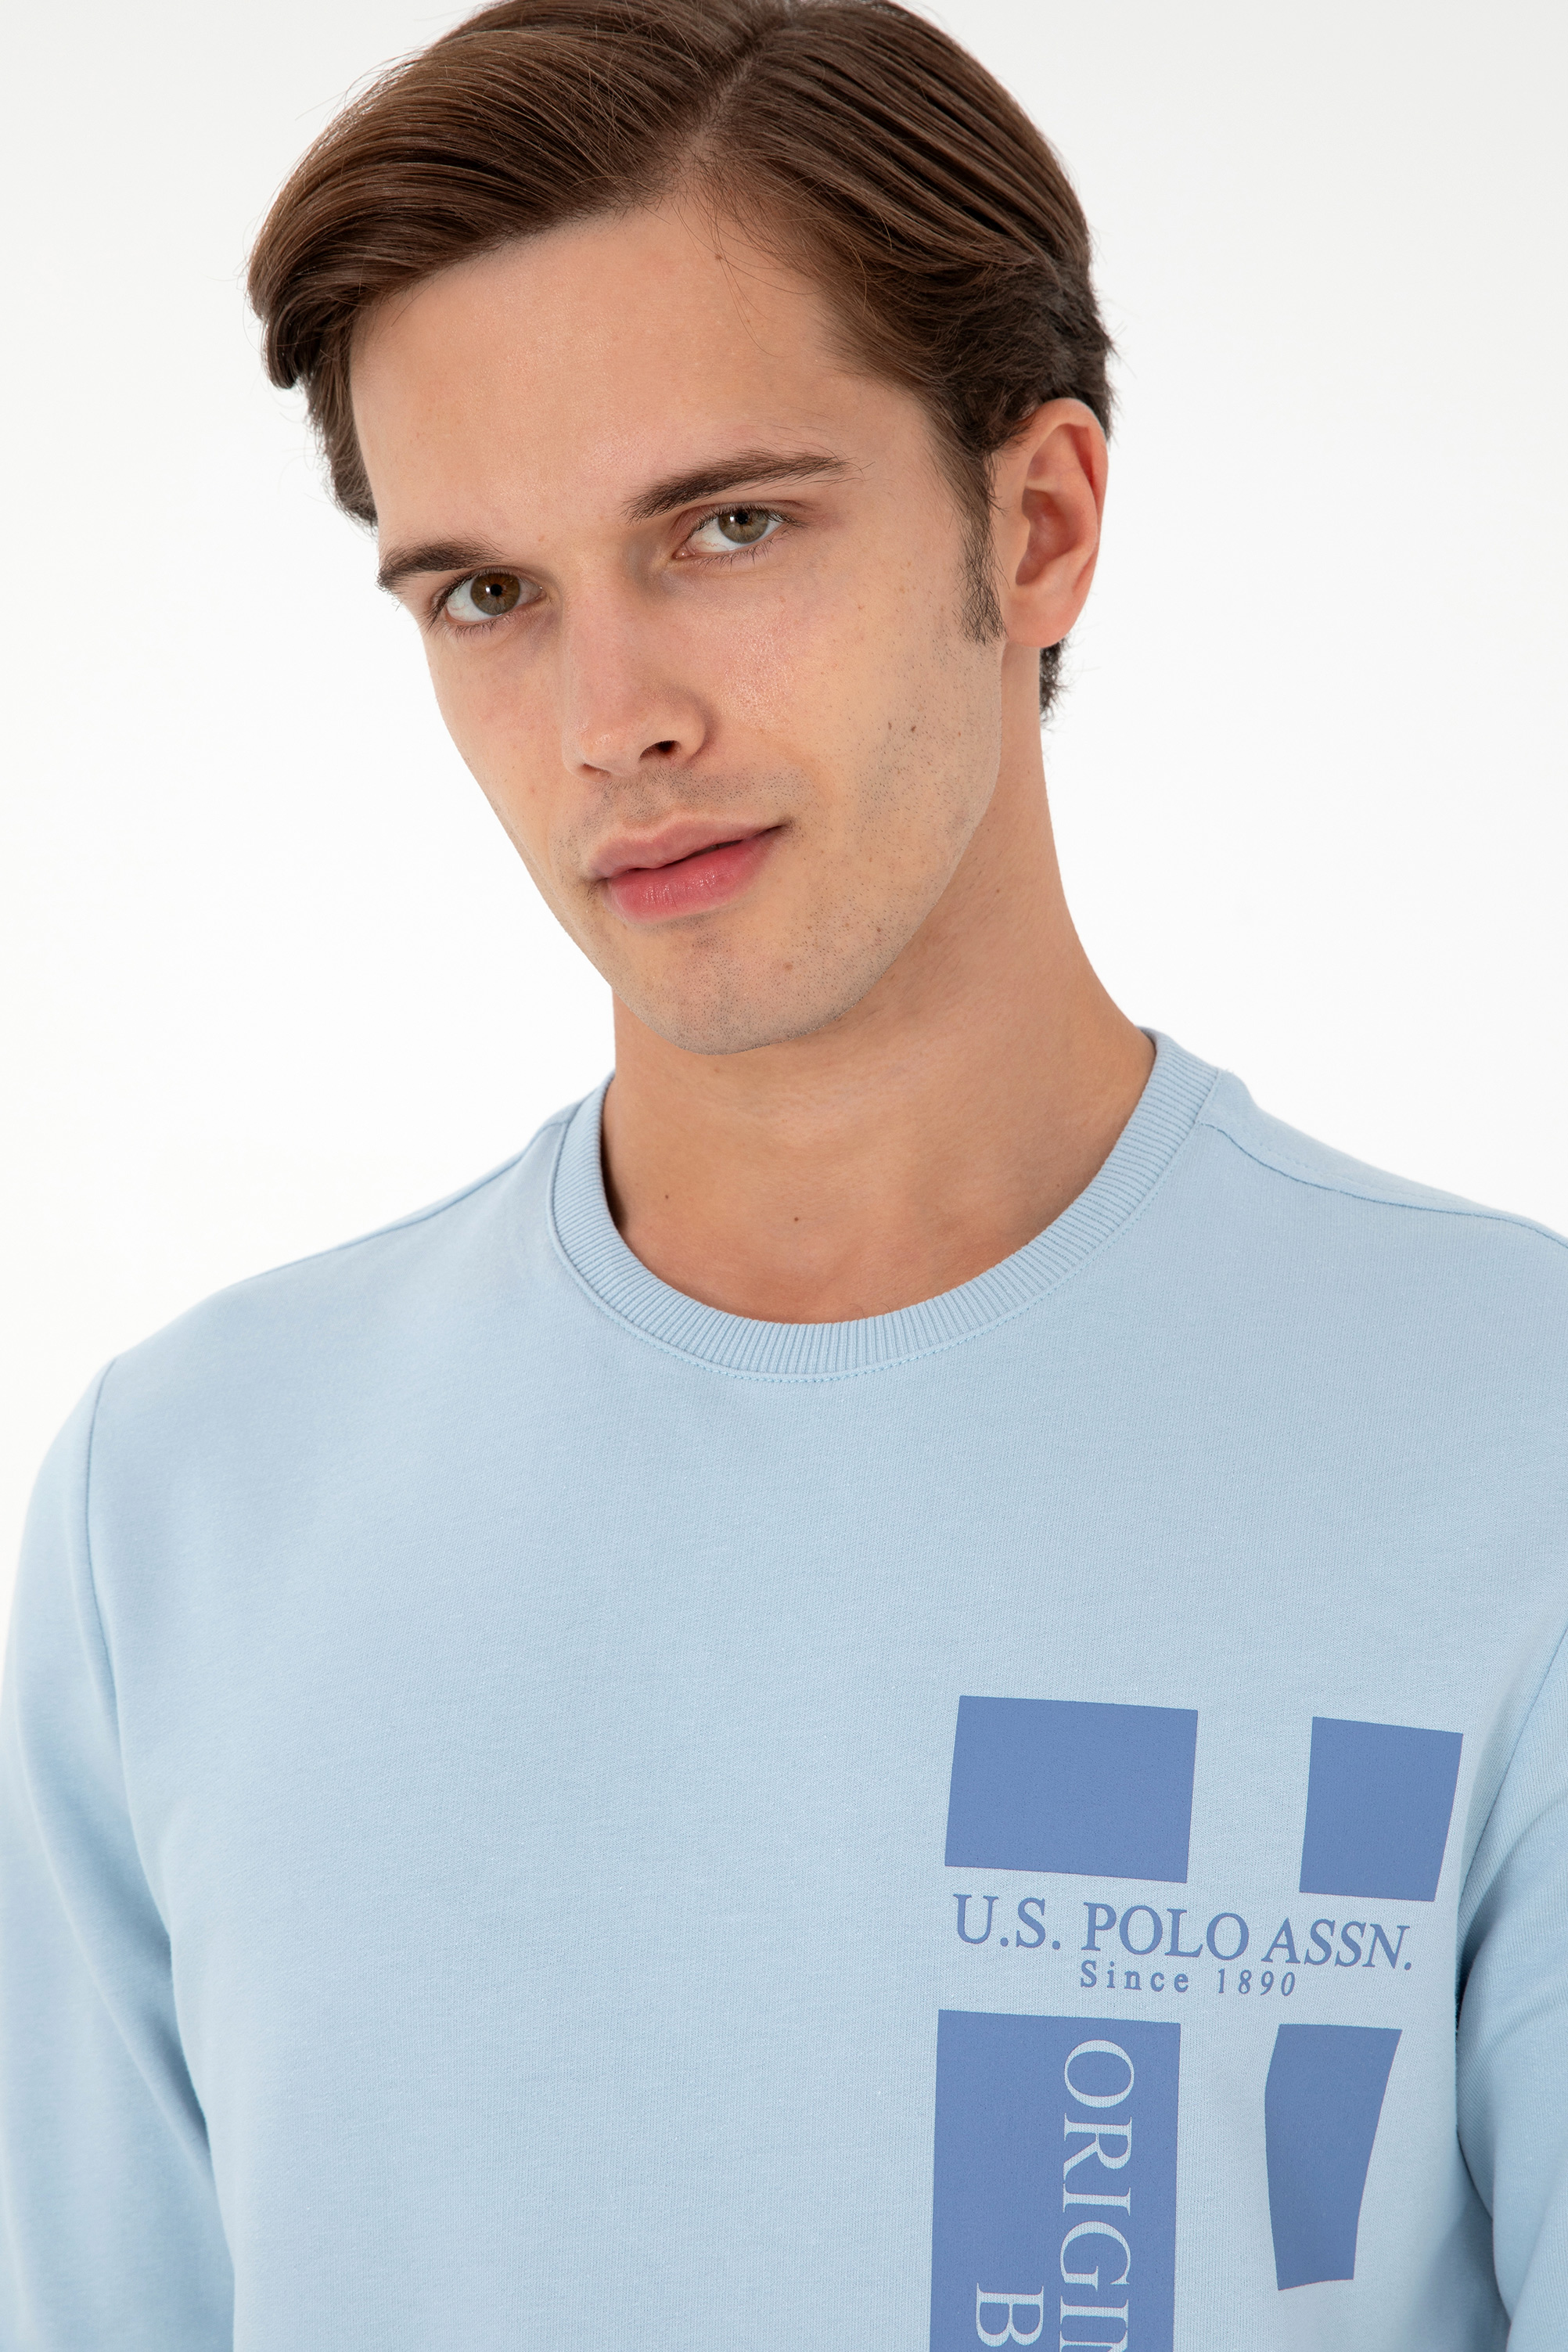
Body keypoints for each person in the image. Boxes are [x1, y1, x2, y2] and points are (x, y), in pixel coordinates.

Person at [2, 0, 1563, 2342]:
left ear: (1037, 524)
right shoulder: (189, 1502)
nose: (607, 720)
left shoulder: (1509, 1438)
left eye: (726, 527)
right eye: (487, 594)